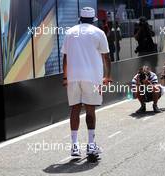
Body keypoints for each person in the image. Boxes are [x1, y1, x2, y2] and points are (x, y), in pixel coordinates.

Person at [62, 7, 112, 157]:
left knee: (74, 109)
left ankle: (75, 146)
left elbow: (65, 58)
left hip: (73, 76)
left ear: (80, 18)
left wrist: (65, 77)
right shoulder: (99, 33)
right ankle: (91, 146)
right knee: (90, 110)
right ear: (93, 20)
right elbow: (106, 57)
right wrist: (107, 76)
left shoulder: (70, 32)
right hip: (93, 78)